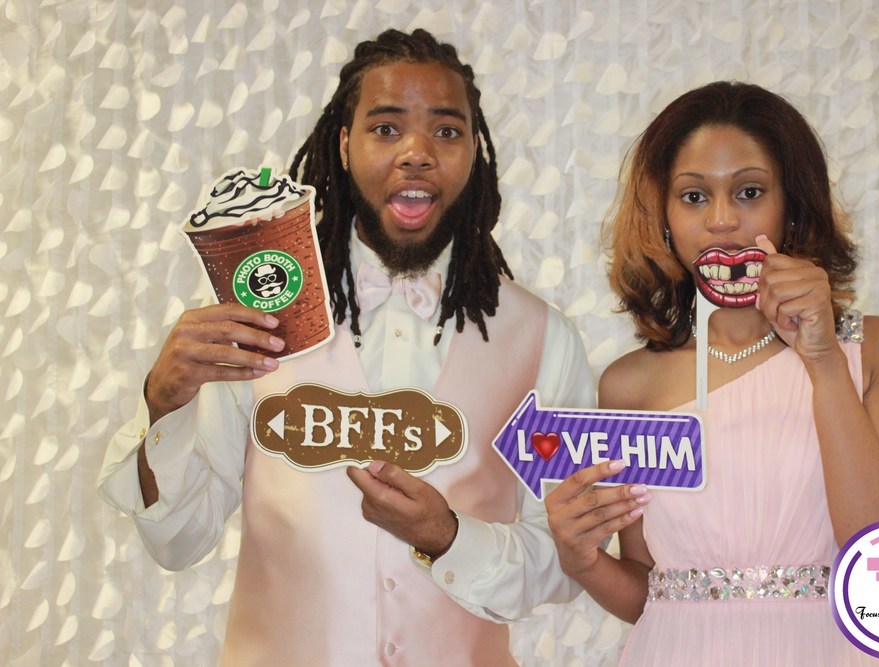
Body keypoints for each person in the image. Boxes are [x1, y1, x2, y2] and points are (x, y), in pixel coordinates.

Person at [98, 29, 592, 666]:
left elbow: (566, 561)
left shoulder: (544, 339)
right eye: (386, 128)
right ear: (343, 144)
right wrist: (163, 405)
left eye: (446, 131)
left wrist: (449, 538)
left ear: (474, 151)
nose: (417, 152)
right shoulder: (257, 316)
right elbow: (177, 540)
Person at [543, 81, 879, 666]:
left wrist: (823, 361)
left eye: (749, 191)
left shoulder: (874, 349)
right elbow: (653, 592)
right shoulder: (630, 385)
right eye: (694, 196)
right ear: (665, 217)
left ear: (792, 204)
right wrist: (583, 561)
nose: (722, 220)